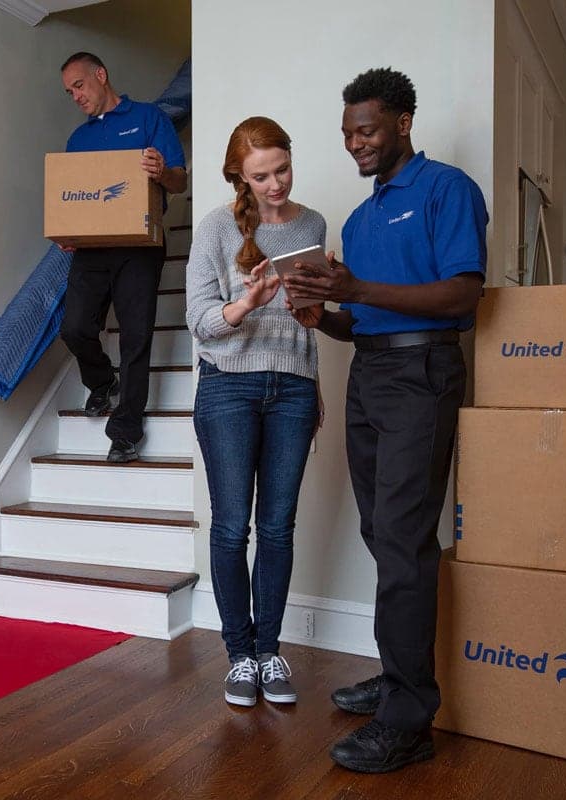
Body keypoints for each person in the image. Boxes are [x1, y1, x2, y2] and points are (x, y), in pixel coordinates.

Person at [282, 68, 488, 772]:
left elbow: (465, 294)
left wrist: (358, 287)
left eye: (365, 130)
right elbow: (364, 319)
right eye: (345, 134)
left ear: (403, 122)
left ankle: (409, 719)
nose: (354, 144)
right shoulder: (362, 218)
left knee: (403, 541)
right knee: (383, 532)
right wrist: (323, 315)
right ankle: (400, 674)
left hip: (424, 374)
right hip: (370, 372)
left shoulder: (447, 189)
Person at [185, 116, 325, 708]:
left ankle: (270, 652)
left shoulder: (313, 224)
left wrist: (312, 375)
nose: (276, 184)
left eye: (283, 169)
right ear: (240, 177)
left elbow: (312, 323)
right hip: (227, 389)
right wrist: (247, 302)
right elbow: (199, 322)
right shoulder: (216, 228)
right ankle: (239, 655)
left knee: (277, 526)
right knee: (229, 525)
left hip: (293, 387)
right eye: (261, 176)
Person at [58, 52, 187, 463]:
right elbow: (75, 198)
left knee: (135, 337)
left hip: (140, 248)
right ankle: (101, 381)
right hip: (93, 250)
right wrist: (68, 232)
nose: (75, 96)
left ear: (101, 75)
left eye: (79, 85)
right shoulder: (77, 140)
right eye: (69, 92)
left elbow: (180, 181)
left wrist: (161, 170)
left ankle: (126, 431)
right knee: (75, 327)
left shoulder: (149, 118)